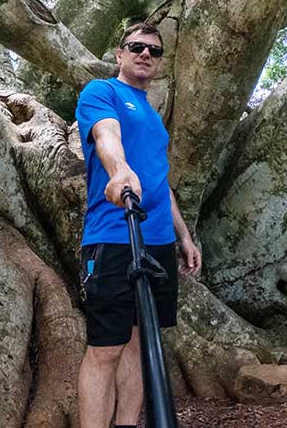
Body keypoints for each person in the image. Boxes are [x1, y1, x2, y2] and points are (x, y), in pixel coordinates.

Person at [75, 22, 202, 428]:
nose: (145, 54)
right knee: (106, 348)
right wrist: (119, 170)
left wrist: (184, 236)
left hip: (159, 242)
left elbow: (161, 182)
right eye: (136, 46)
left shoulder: (153, 117)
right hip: (113, 237)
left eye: (154, 50)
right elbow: (105, 135)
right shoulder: (102, 93)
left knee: (138, 344)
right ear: (119, 53)